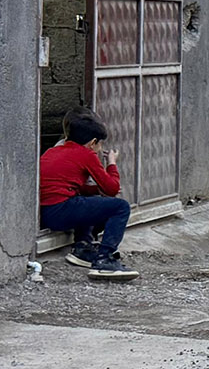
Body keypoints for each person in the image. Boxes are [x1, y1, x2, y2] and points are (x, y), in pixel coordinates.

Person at [39, 111, 137, 279]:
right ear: (93, 143)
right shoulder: (86, 154)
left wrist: (95, 191)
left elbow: (68, 188)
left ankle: (82, 248)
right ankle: (105, 259)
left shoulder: (52, 151)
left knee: (89, 201)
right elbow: (112, 189)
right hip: (61, 210)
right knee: (120, 207)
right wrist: (111, 163)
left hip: (46, 213)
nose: (100, 149)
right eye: (100, 145)